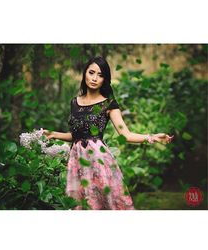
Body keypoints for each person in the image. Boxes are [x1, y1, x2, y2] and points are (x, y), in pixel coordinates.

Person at [43, 56, 174, 210]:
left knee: (107, 204)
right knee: (80, 204)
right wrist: (53, 134)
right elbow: (77, 135)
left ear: (105, 79)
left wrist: (151, 137)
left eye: (100, 75)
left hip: (99, 161)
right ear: (85, 73)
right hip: (77, 160)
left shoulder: (108, 103)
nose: (94, 78)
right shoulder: (75, 102)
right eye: (91, 73)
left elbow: (126, 134)